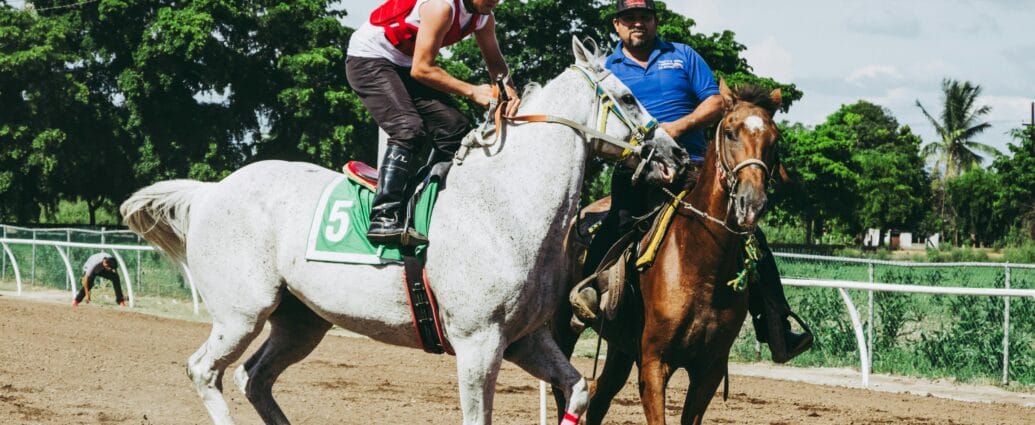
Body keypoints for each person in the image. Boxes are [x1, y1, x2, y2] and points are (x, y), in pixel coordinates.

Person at [579, 0, 813, 363]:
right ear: (617, 25)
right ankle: (588, 294)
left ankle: (777, 326)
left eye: (644, 17)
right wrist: (640, 154)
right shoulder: (608, 68)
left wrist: (674, 129)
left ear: (656, 21)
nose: (637, 23)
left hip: (693, 168)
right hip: (636, 171)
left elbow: (715, 104)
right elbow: (600, 126)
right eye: (630, 18)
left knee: (751, 238)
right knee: (617, 225)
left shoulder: (683, 56)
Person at [346, 0, 520, 245]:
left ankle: (427, 203)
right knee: (408, 128)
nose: (495, 1)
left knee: (455, 129)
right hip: (371, 60)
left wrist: (509, 92)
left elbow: (495, 64)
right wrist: (472, 91)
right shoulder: (442, 7)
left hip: (405, 65)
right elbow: (422, 70)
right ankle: (383, 216)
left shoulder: (484, 16)